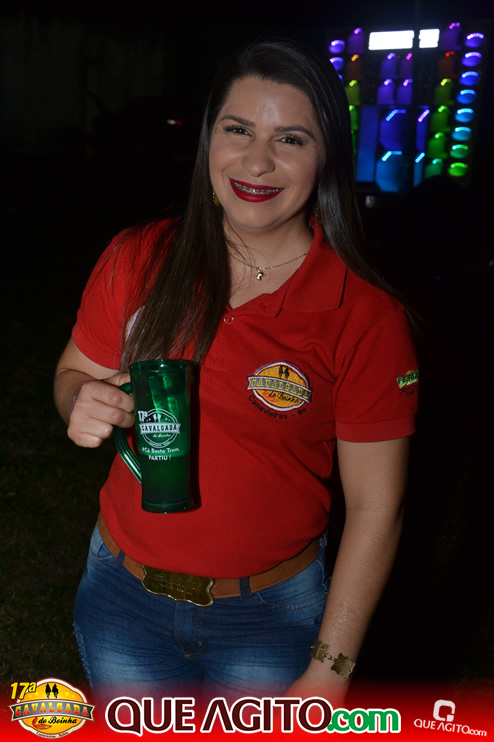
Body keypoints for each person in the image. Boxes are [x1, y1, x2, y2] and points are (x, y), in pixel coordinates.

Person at [54, 39, 418, 707]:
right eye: (238, 130)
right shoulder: (139, 257)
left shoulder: (366, 314)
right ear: (208, 140)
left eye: (291, 139)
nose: (256, 161)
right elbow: (75, 372)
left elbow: (376, 508)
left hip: (271, 622)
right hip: (121, 597)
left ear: (327, 156)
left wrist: (331, 667)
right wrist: (82, 398)